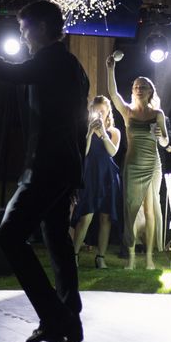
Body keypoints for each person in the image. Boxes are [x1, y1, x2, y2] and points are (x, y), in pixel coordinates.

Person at [0, 0, 89, 342]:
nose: (23, 35)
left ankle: (54, 316)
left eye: (25, 28)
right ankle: (69, 318)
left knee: (10, 236)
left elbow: (10, 73)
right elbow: (79, 124)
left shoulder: (50, 61)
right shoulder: (72, 65)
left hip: (45, 167)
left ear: (42, 28)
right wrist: (75, 176)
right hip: (63, 167)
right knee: (57, 240)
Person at [106, 56, 168, 270]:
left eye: (143, 86)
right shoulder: (128, 111)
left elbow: (165, 141)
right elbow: (113, 94)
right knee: (131, 210)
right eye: (136, 86)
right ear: (132, 91)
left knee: (150, 210)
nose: (139, 89)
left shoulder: (157, 114)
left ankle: (150, 258)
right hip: (132, 165)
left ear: (150, 91)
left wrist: (160, 135)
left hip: (153, 164)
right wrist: (110, 68)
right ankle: (131, 256)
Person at [71, 96, 121, 269]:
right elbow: (82, 154)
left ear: (107, 112)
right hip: (90, 176)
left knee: (105, 218)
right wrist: (90, 134)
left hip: (108, 176)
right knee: (86, 216)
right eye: (96, 110)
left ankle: (101, 257)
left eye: (102, 110)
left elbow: (113, 152)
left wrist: (104, 135)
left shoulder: (114, 131)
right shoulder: (85, 129)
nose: (99, 113)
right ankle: (74, 255)